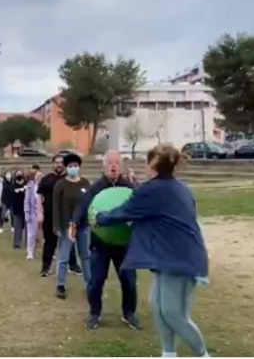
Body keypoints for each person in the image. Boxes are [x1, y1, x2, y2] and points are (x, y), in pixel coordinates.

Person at [93, 145, 210, 357]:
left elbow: (123, 212)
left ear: (152, 165)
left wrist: (100, 217)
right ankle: (168, 353)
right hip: (169, 257)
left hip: (181, 258)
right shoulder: (178, 187)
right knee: (158, 306)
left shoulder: (152, 191)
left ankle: (203, 355)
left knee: (175, 315)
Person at [71, 150, 141, 330]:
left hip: (124, 244)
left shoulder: (129, 188)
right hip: (100, 244)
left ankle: (129, 313)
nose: (113, 165)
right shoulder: (96, 188)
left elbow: (140, 207)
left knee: (129, 280)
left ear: (121, 166)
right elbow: (82, 206)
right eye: (110, 162)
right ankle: (94, 313)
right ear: (104, 166)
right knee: (96, 281)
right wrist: (74, 223)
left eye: (117, 162)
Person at [52, 153, 92, 299]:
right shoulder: (60, 185)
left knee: (85, 257)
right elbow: (56, 207)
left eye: (75, 165)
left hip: (83, 226)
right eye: (70, 166)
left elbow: (90, 204)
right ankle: (61, 284)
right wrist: (56, 227)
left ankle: (90, 284)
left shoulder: (85, 183)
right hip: (65, 226)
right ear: (66, 167)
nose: (73, 168)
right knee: (63, 256)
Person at [36, 154, 81, 277]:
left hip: (67, 217)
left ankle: (73, 266)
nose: (59, 164)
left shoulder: (70, 179)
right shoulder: (46, 179)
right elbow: (39, 197)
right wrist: (39, 212)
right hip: (50, 216)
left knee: (69, 241)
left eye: (61, 162)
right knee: (49, 243)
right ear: (53, 164)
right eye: (56, 162)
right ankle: (46, 268)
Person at [24, 171, 43, 260]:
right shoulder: (30, 187)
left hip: (43, 213)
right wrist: (27, 213)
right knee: (31, 234)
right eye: (37, 176)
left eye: (40, 176)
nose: (39, 178)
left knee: (44, 234)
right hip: (33, 213)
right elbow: (27, 201)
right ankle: (30, 252)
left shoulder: (45, 187)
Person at [9, 169, 27, 249]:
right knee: (17, 226)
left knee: (27, 227)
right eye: (17, 174)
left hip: (26, 208)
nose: (19, 175)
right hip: (17, 208)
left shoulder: (26, 184)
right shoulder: (13, 185)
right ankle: (17, 243)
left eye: (20, 174)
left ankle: (27, 243)